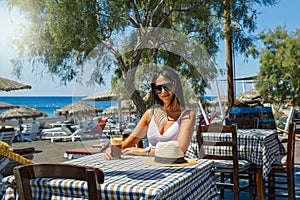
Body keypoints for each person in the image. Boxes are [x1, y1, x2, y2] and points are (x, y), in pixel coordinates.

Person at [104, 68, 195, 160]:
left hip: (176, 167)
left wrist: (144, 151)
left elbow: (179, 150)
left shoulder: (187, 116)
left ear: (176, 86)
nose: (163, 91)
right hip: (151, 166)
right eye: (158, 88)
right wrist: (113, 149)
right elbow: (128, 143)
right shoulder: (150, 114)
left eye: (167, 86)